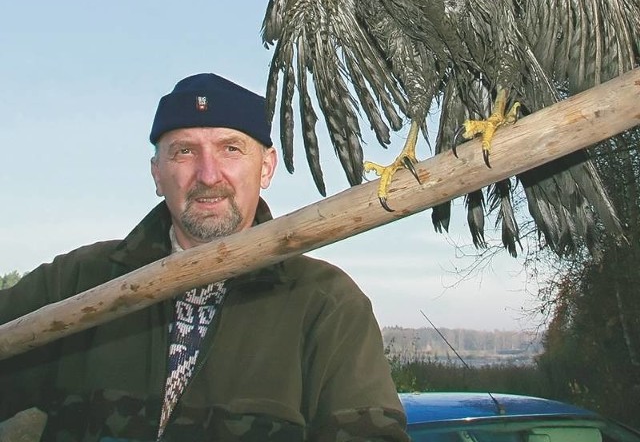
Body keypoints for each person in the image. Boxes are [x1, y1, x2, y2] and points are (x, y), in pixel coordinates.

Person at [0, 73, 409, 442]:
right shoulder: (76, 283)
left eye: (230, 149)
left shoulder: (326, 304)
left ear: (266, 168)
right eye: (184, 152)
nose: (209, 175)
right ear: (157, 174)